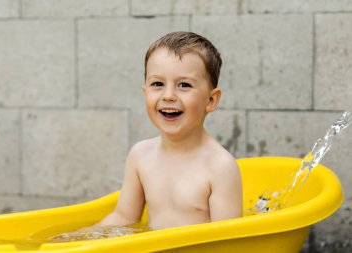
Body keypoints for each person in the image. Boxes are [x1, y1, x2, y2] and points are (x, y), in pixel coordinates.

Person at [56, 31, 242, 238]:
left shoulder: (220, 167)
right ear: (145, 93)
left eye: (184, 85)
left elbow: (228, 241)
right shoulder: (141, 155)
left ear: (211, 100)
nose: (168, 96)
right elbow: (124, 217)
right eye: (157, 84)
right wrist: (77, 237)